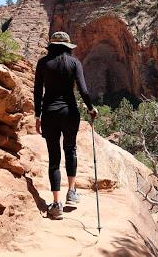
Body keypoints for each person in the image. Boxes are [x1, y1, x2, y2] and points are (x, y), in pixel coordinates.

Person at [34, 31, 98, 219]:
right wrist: (91, 108)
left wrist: (37, 115)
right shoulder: (74, 63)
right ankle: (71, 192)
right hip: (70, 113)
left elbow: (37, 91)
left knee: (54, 158)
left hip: (50, 114)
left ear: (51, 46)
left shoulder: (43, 63)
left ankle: (56, 204)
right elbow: (84, 90)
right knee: (70, 150)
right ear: (67, 46)